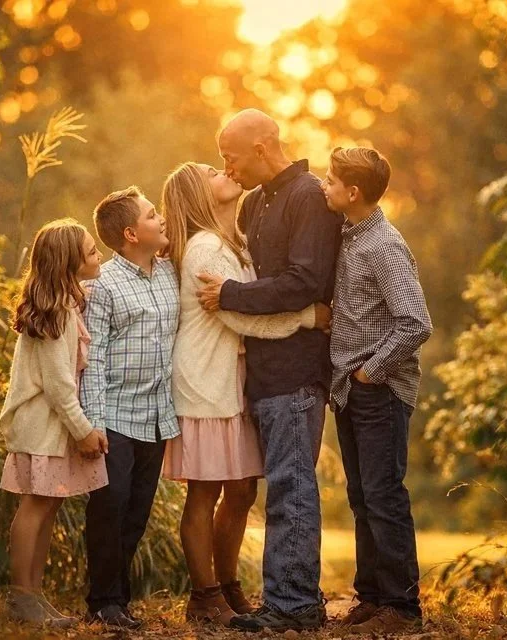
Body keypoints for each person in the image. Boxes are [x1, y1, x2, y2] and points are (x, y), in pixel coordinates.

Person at [160, 162, 331, 626]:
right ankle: (205, 594)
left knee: (240, 490)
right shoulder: (204, 249)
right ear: (199, 194)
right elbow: (239, 316)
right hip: (205, 383)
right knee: (206, 492)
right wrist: (307, 319)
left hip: (234, 382)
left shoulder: (232, 242)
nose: (227, 171)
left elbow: (248, 299)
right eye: (214, 171)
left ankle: (229, 585)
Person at [196, 109, 343, 632]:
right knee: (282, 485)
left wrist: (230, 295)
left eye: (230, 156)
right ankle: (286, 599)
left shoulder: (308, 197)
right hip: (261, 368)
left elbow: (305, 280)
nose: (226, 167)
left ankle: (294, 606)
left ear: (260, 148)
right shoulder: (256, 202)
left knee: (292, 487)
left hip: (297, 370)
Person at [322, 146, 433, 634]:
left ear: (353, 192)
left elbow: (416, 323)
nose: (325, 187)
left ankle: (402, 608)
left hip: (378, 391)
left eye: (330, 180)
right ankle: (372, 597)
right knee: (362, 495)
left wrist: (371, 373)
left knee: (384, 495)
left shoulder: (382, 245)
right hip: (351, 389)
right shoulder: (349, 236)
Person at [0, 218, 109, 627]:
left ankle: (34, 594)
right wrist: (84, 431)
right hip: (42, 427)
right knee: (36, 506)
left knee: (48, 506)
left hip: (52, 428)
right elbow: (60, 386)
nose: (99, 256)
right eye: (92, 251)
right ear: (68, 263)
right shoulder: (58, 313)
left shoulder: (64, 306)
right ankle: (21, 595)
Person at [79, 186, 180, 629]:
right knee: (110, 505)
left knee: (137, 511)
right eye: (152, 215)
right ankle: (103, 600)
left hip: (157, 416)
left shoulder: (170, 273)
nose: (161, 220)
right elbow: (94, 358)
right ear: (130, 233)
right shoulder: (102, 287)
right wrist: (92, 422)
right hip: (115, 415)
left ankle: (119, 600)